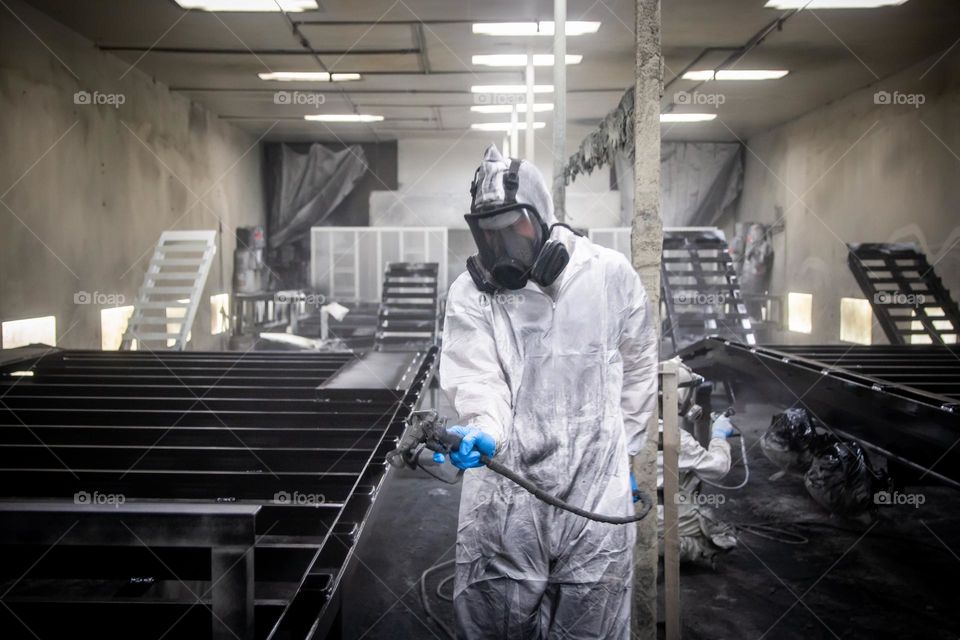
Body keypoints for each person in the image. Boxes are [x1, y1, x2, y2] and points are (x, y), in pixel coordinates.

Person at [438, 144, 658, 639]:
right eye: (487, 232)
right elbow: (478, 378)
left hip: (595, 485)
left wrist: (628, 449)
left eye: (512, 227)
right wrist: (484, 429)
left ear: (540, 218)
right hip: (507, 488)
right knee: (495, 616)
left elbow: (641, 361)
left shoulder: (607, 274)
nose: (502, 243)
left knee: (591, 620)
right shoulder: (473, 294)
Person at [656, 362, 736, 568]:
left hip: (629, 507)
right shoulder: (677, 437)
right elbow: (718, 468)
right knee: (718, 533)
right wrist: (719, 436)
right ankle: (659, 549)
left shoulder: (632, 423)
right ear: (679, 395)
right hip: (656, 512)